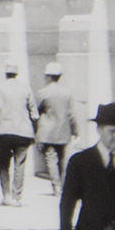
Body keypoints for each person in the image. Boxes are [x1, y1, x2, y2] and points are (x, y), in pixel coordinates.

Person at [0, 62, 36, 207]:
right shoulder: (25, 88)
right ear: (16, 74)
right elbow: (34, 113)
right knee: (20, 164)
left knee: (3, 165)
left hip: (3, 130)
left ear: (6, 73)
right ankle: (17, 197)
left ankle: (6, 196)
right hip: (23, 131)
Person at [33, 62, 75, 193]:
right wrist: (74, 131)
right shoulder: (67, 93)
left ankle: (56, 186)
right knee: (62, 159)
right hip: (63, 130)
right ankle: (62, 184)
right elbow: (71, 113)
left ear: (49, 76)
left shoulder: (43, 93)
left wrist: (36, 131)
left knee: (51, 158)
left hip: (48, 131)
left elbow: (36, 112)